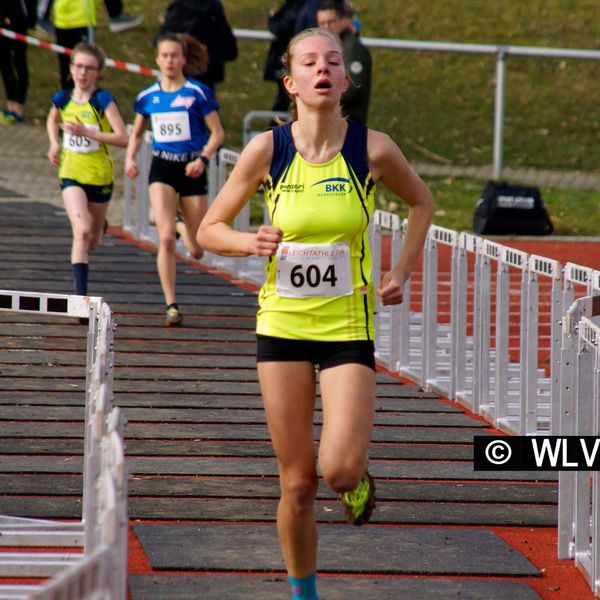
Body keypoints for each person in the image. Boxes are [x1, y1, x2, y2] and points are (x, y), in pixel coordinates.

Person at [197, 28, 433, 600]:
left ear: (345, 81)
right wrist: (249, 241)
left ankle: (357, 485)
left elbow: (421, 202)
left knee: (339, 470)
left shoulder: (371, 149)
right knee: (298, 484)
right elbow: (207, 230)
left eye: (333, 62)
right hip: (282, 326)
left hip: (348, 327)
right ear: (291, 82)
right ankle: (305, 593)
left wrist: (400, 271)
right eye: (310, 62)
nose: (322, 69)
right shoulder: (267, 149)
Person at [125, 33, 225, 327]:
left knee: (197, 248)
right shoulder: (147, 97)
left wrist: (203, 159)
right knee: (165, 238)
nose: (169, 61)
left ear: (183, 59)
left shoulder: (198, 92)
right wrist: (130, 158)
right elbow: (137, 133)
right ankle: (171, 305)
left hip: (192, 169)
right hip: (162, 169)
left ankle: (181, 222)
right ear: (157, 59)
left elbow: (218, 133)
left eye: (174, 55)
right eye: (164, 55)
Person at [46, 42, 128, 305]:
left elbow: (123, 138)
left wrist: (90, 133)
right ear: (71, 69)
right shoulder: (62, 99)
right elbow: (52, 119)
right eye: (78, 66)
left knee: (92, 239)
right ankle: (79, 301)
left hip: (99, 176)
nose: (82, 72)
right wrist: (54, 142)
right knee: (80, 231)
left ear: (98, 73)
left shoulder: (102, 100)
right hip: (70, 173)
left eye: (89, 68)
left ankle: (99, 227)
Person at [156, 0, 237, 94]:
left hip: (183, 72)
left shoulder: (179, 7)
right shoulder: (214, 7)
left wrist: (164, 29)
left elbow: (164, 40)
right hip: (208, 70)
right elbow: (225, 35)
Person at [316, 0, 371, 125]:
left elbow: (353, 90)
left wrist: (318, 96)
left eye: (331, 22)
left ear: (345, 21)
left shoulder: (352, 48)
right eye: (322, 23)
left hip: (349, 124)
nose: (326, 27)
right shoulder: (330, 48)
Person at [263, 0, 305, 113]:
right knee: (286, 98)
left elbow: (280, 28)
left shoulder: (296, 7)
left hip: (289, 57)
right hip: (290, 58)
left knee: (285, 99)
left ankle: (275, 127)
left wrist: (273, 18)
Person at [0, 0, 37, 124]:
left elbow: (29, 5)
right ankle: (10, 105)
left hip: (18, 24)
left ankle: (19, 107)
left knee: (19, 64)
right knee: (4, 65)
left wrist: (28, 20)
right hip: (2, 25)